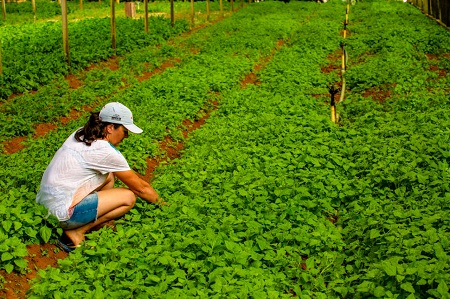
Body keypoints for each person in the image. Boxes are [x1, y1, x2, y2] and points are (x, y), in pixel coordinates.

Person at [36, 102, 161, 253]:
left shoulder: (81, 133)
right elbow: (141, 188)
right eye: (125, 131)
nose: (126, 136)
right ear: (110, 128)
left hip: (44, 206)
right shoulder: (105, 151)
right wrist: (163, 206)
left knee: (108, 176)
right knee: (128, 197)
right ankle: (76, 231)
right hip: (61, 214)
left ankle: (95, 224)